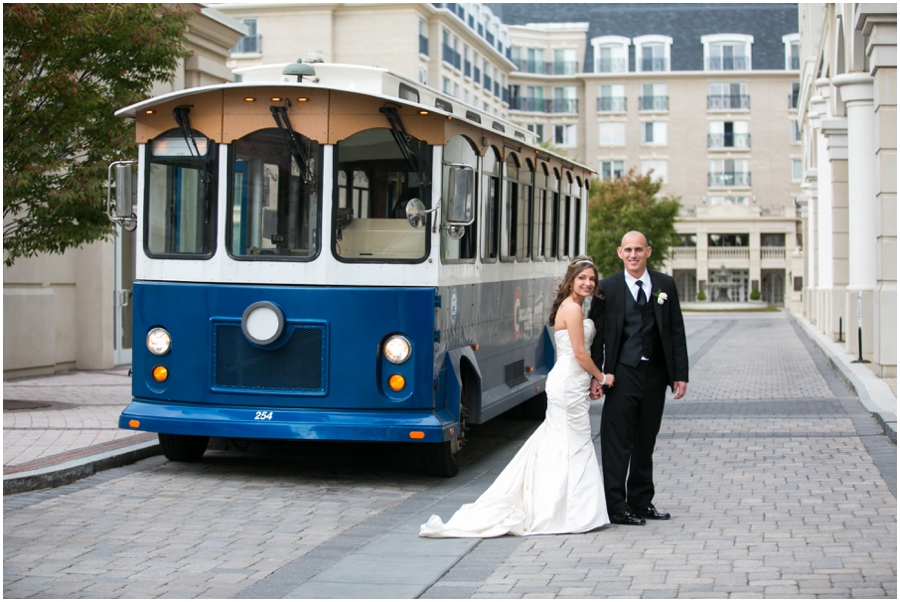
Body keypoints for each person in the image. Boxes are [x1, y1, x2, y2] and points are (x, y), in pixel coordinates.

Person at [420, 256, 615, 538]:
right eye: (582, 278)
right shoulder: (572, 309)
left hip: (572, 383)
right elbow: (580, 353)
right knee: (574, 442)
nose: (587, 283)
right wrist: (601, 377)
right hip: (568, 384)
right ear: (571, 280)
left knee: (566, 442)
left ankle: (570, 506)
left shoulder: (574, 307)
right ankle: (570, 510)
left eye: (591, 279)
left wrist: (589, 379)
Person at [588, 231, 688, 526]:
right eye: (628, 249)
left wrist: (679, 374)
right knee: (617, 442)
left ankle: (642, 502)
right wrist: (597, 374)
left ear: (648, 252)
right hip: (621, 375)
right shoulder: (607, 288)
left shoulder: (665, 285)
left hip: (656, 375)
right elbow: (598, 336)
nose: (633, 254)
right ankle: (616, 506)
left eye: (639, 249)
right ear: (620, 252)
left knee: (646, 440)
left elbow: (675, 331)